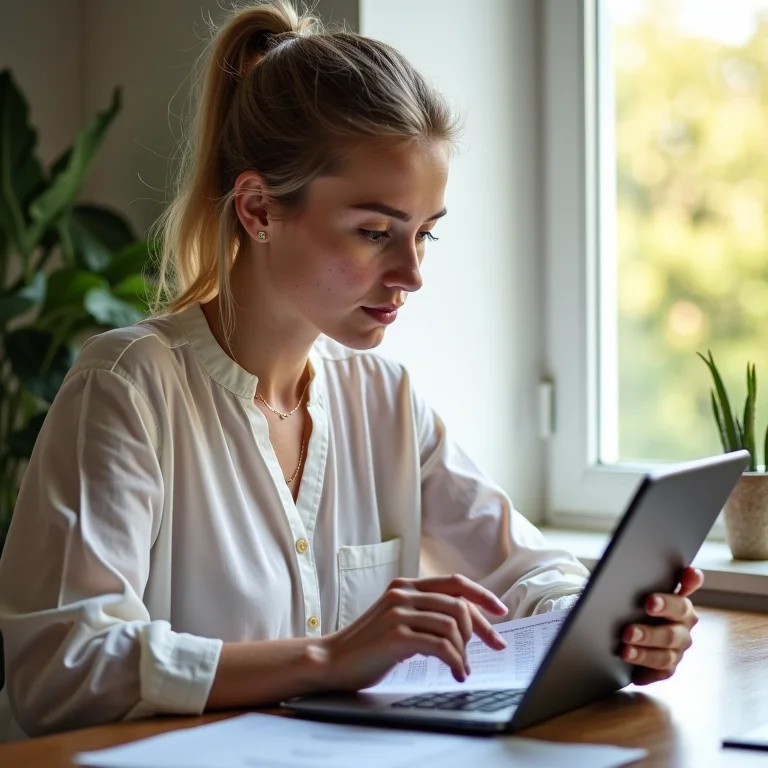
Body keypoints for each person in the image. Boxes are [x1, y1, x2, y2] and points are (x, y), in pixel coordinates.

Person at [0, 0, 702, 741]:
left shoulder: (384, 399)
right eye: (374, 232)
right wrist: (328, 657)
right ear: (258, 209)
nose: (412, 274)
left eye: (425, 234)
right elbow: (60, 669)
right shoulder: (128, 387)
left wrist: (624, 628)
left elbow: (528, 571)